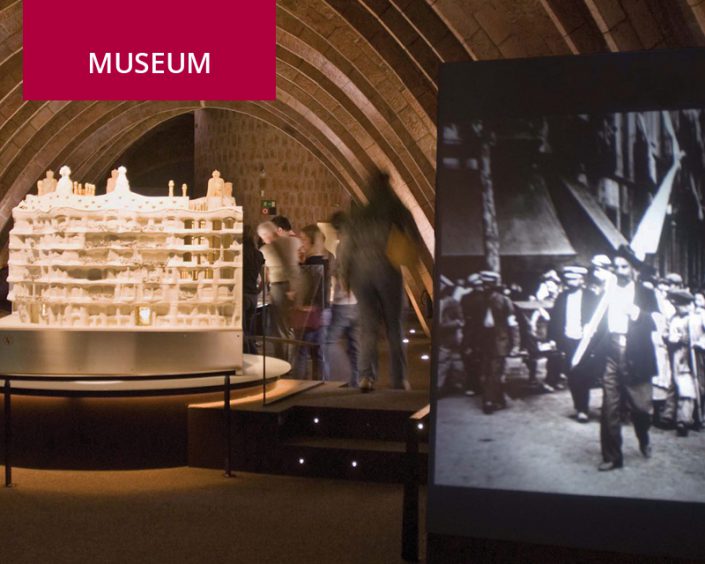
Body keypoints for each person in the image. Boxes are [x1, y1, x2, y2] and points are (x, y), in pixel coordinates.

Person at [338, 173, 421, 392]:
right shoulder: (395, 208)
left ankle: (367, 377)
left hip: (360, 272)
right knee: (394, 325)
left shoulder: (360, 213)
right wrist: (412, 260)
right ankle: (399, 379)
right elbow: (414, 235)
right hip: (387, 268)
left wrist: (343, 275)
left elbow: (346, 246)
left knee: (368, 326)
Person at [590, 246, 658, 471]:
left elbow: (659, 322)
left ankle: (643, 437)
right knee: (609, 406)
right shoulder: (606, 293)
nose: (619, 271)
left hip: (636, 354)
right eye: (615, 267)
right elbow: (597, 322)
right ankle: (612, 457)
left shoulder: (645, 293)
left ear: (632, 269)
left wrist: (638, 314)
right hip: (611, 352)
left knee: (640, 409)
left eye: (623, 267)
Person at [547, 266, 598, 421]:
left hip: (585, 341)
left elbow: (597, 320)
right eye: (568, 279)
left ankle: (583, 407)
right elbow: (555, 319)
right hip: (568, 340)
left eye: (575, 279)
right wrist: (553, 339)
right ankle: (580, 407)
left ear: (582, 280)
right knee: (572, 374)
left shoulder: (591, 297)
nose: (571, 282)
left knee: (583, 373)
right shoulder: (562, 297)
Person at [474, 271, 520, 414]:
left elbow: (512, 324)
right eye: (483, 284)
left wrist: (516, 344)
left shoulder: (504, 300)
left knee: (494, 371)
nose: (485, 287)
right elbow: (475, 324)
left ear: (494, 285)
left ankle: (488, 401)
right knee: (487, 370)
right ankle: (500, 399)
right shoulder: (479, 301)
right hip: (484, 340)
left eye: (488, 284)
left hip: (500, 341)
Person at [323, 211, 360, 387]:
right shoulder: (359, 244)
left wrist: (340, 281)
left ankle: (327, 379)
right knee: (354, 344)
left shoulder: (342, 246)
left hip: (343, 302)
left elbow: (342, 271)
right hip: (357, 303)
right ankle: (356, 380)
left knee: (327, 342)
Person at [256, 221, 302, 362]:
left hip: (279, 288)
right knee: (294, 327)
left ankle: (282, 361)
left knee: (279, 328)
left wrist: (258, 289)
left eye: (263, 237)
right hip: (298, 287)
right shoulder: (295, 242)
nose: (263, 240)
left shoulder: (265, 250)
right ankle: (295, 359)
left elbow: (265, 277)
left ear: (266, 235)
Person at [291, 224, 330, 379]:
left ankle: (297, 385)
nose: (301, 244)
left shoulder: (311, 263)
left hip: (308, 312)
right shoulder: (325, 260)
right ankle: (321, 385)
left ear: (312, 241)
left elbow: (304, 288)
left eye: (304, 239)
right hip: (323, 311)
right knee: (319, 354)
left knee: (301, 352)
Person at [666, 289, 704, 436]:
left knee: (692, 387)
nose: (678, 308)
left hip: (697, 356)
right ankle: (673, 417)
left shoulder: (699, 317)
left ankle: (687, 419)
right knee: (677, 384)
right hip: (679, 355)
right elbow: (671, 336)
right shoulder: (675, 319)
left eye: (680, 305)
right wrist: (677, 339)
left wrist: (699, 343)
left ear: (688, 305)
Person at [242, 225, 264, 354]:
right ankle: (254, 354)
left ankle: (248, 355)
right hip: (253, 295)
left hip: (242, 294)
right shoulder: (258, 254)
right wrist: (259, 289)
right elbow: (263, 276)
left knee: (242, 329)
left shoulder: (239, 252)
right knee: (250, 329)